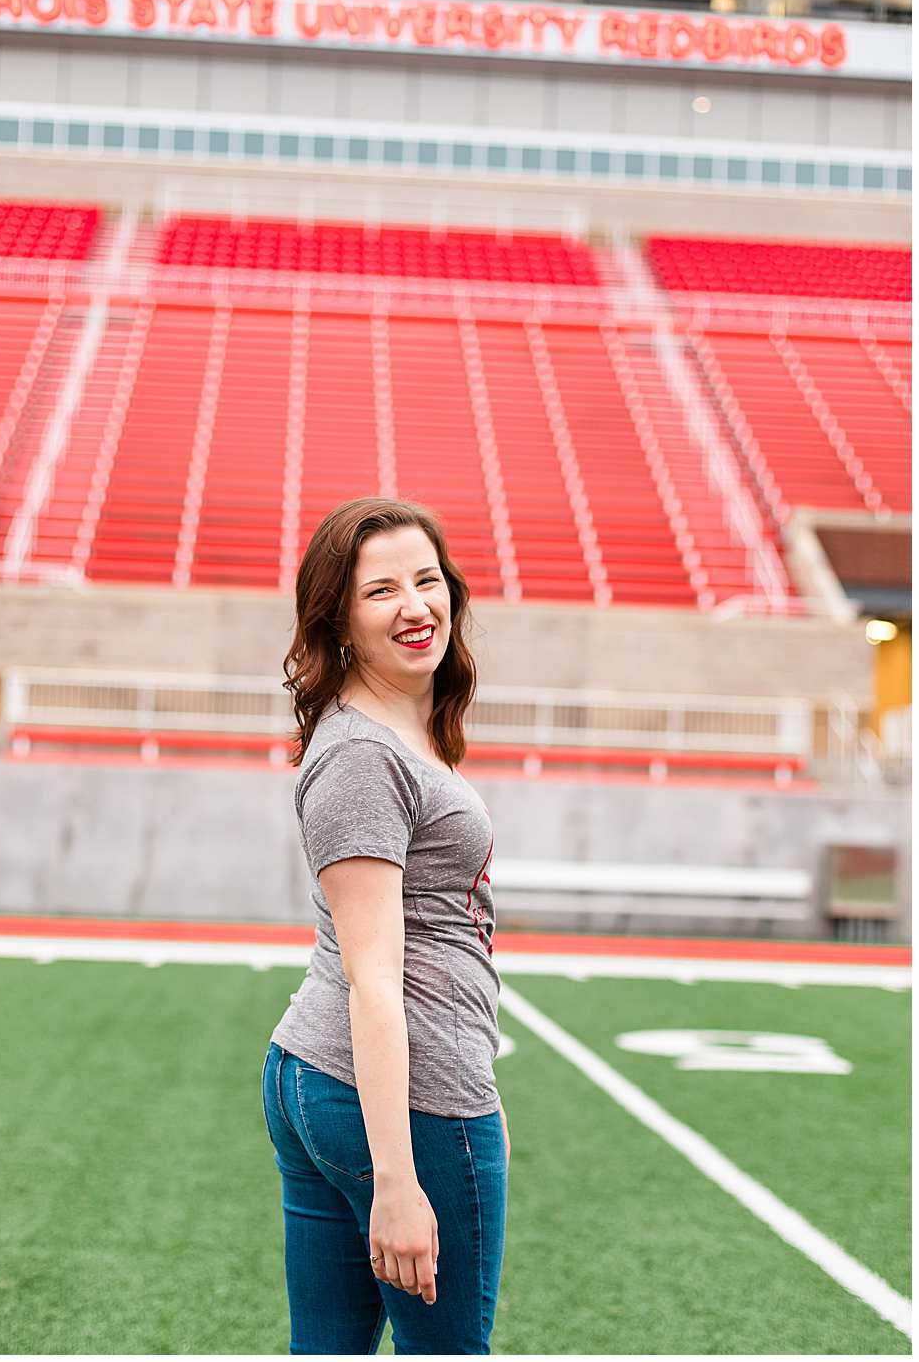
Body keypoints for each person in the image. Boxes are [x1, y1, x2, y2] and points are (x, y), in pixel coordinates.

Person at [262, 496, 509, 1355]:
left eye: (427, 580)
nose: (415, 606)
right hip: (400, 1098)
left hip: (328, 1076)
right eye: (381, 591)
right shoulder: (364, 754)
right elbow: (375, 978)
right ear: (338, 618)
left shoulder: (399, 727)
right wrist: (397, 1178)